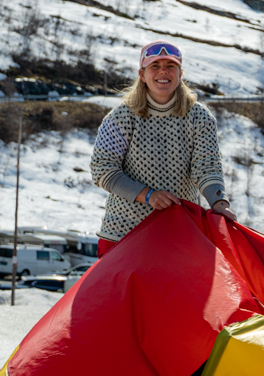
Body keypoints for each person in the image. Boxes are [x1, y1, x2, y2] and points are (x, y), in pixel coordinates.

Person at [90, 41, 236, 257]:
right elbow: (103, 171)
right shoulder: (121, 117)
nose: (163, 72)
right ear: (142, 74)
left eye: (170, 66)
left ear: (180, 73)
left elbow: (207, 167)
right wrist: (147, 195)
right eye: (155, 66)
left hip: (180, 234)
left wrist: (219, 201)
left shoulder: (200, 118)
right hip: (124, 234)